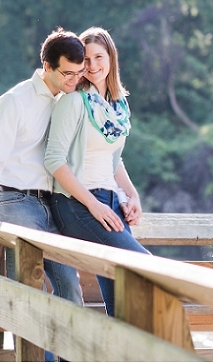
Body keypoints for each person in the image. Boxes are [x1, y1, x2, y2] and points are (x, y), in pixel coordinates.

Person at [0, 28, 85, 314]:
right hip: (15, 201)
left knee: (70, 286)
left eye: (79, 73)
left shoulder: (68, 102)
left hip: (53, 204)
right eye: (67, 73)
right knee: (31, 289)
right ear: (47, 66)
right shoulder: (15, 100)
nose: (74, 80)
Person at [44, 26, 150, 317]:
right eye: (86, 60)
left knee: (120, 296)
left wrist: (132, 196)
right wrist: (93, 205)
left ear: (111, 57)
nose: (92, 66)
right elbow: (54, 160)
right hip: (77, 204)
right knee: (147, 268)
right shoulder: (74, 101)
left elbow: (114, 160)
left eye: (98, 57)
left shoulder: (117, 106)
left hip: (111, 203)